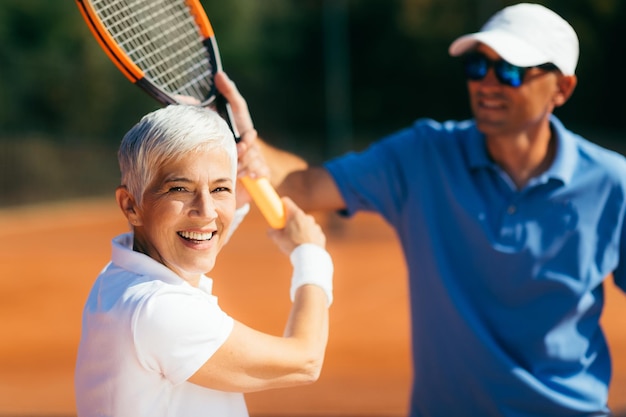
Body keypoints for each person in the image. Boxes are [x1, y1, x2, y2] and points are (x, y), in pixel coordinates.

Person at [221, 3, 626, 416]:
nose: (487, 83)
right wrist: (238, 137)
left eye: (510, 71)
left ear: (563, 88)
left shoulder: (613, 184)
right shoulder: (423, 155)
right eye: (477, 66)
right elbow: (305, 187)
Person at [74, 104, 334, 417]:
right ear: (131, 205)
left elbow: (189, 243)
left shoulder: (117, 280)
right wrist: (311, 254)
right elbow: (305, 361)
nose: (207, 210)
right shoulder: (159, 311)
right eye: (180, 189)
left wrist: (233, 205)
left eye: (220, 188)